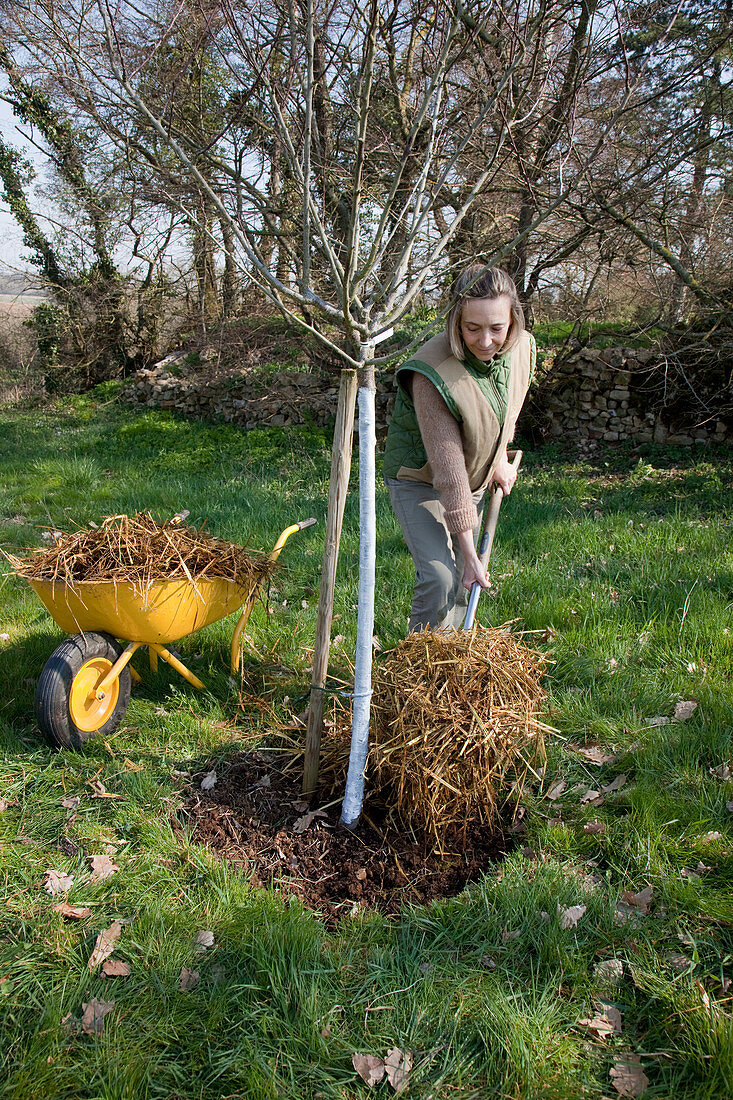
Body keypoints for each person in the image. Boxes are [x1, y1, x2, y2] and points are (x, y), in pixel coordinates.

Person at [383, 264, 535, 632]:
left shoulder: (521, 349)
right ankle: (419, 667)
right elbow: (449, 471)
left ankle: (453, 661)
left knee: (464, 584)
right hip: (420, 480)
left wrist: (498, 457)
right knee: (442, 577)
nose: (485, 340)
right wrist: (468, 552)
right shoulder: (432, 371)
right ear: (456, 320)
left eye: (497, 328)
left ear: (513, 319)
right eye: (472, 328)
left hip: (475, 480)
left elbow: (507, 405)